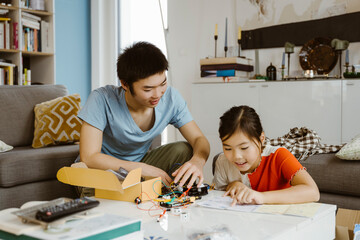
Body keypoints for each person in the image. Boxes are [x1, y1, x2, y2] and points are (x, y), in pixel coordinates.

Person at [78, 41, 210, 190]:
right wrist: (140, 169)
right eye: (148, 89)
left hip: (141, 167)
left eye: (163, 83)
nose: (158, 94)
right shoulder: (101, 99)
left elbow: (200, 139)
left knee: (184, 149)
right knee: (100, 191)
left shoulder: (171, 98)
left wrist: (197, 162)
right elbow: (89, 157)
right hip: (102, 171)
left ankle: (151, 190)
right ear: (125, 84)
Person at [213, 105, 320, 205]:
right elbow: (218, 197)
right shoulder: (223, 162)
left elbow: (313, 192)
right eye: (228, 148)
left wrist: (261, 197)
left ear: (261, 139)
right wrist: (231, 186)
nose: (236, 156)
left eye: (244, 148)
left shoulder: (278, 155)